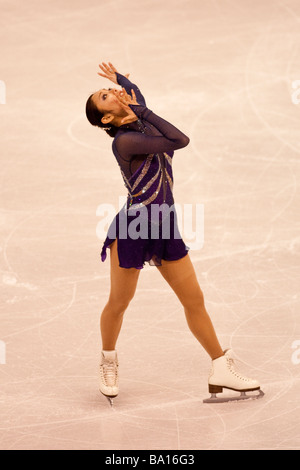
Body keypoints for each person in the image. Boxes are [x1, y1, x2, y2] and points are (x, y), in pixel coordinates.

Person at [85, 62, 262, 404]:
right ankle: (108, 359)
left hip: (165, 224)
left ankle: (220, 367)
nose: (115, 94)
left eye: (110, 91)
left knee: (194, 300)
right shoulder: (126, 141)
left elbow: (143, 106)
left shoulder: (140, 121)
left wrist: (121, 81)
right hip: (134, 228)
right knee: (120, 302)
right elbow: (179, 140)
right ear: (106, 119)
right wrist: (141, 108)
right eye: (105, 97)